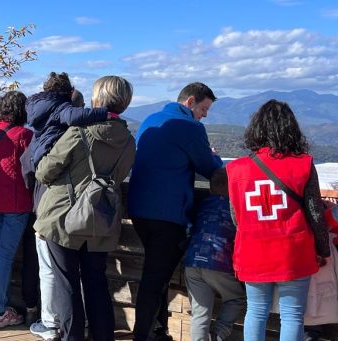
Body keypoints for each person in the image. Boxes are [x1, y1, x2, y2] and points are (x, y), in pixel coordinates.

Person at [34, 75, 135, 341]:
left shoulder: (79, 132)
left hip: (63, 218)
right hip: (101, 218)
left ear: (97, 99)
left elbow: (44, 171)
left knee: (66, 284)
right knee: (96, 282)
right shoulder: (128, 140)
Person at [224, 99, 330, 341]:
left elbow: (236, 216)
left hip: (252, 251)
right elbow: (314, 212)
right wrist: (322, 249)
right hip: (293, 251)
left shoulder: (236, 169)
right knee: (292, 315)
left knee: (256, 311)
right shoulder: (304, 164)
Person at [127, 82, 222, 341]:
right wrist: (214, 156)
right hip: (167, 213)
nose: (205, 114)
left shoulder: (150, 119)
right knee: (155, 277)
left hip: (138, 208)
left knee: (158, 272)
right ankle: (143, 334)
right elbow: (210, 168)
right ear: (190, 102)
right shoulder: (190, 127)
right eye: (204, 108)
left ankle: (158, 330)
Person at [25, 79, 103, 339]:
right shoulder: (76, 135)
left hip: (46, 210)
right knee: (83, 276)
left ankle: (51, 322)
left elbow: (33, 171)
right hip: (83, 212)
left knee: (52, 271)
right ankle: (75, 324)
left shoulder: (39, 128)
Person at [0, 91, 33, 328]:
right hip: (17, 204)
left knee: (0, 256)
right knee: (4, 257)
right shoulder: (24, 135)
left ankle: (0, 306)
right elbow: (31, 170)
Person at [184, 171, 245, 341]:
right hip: (219, 262)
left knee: (200, 312)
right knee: (237, 298)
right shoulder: (235, 207)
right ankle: (218, 334)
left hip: (192, 261)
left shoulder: (201, 204)